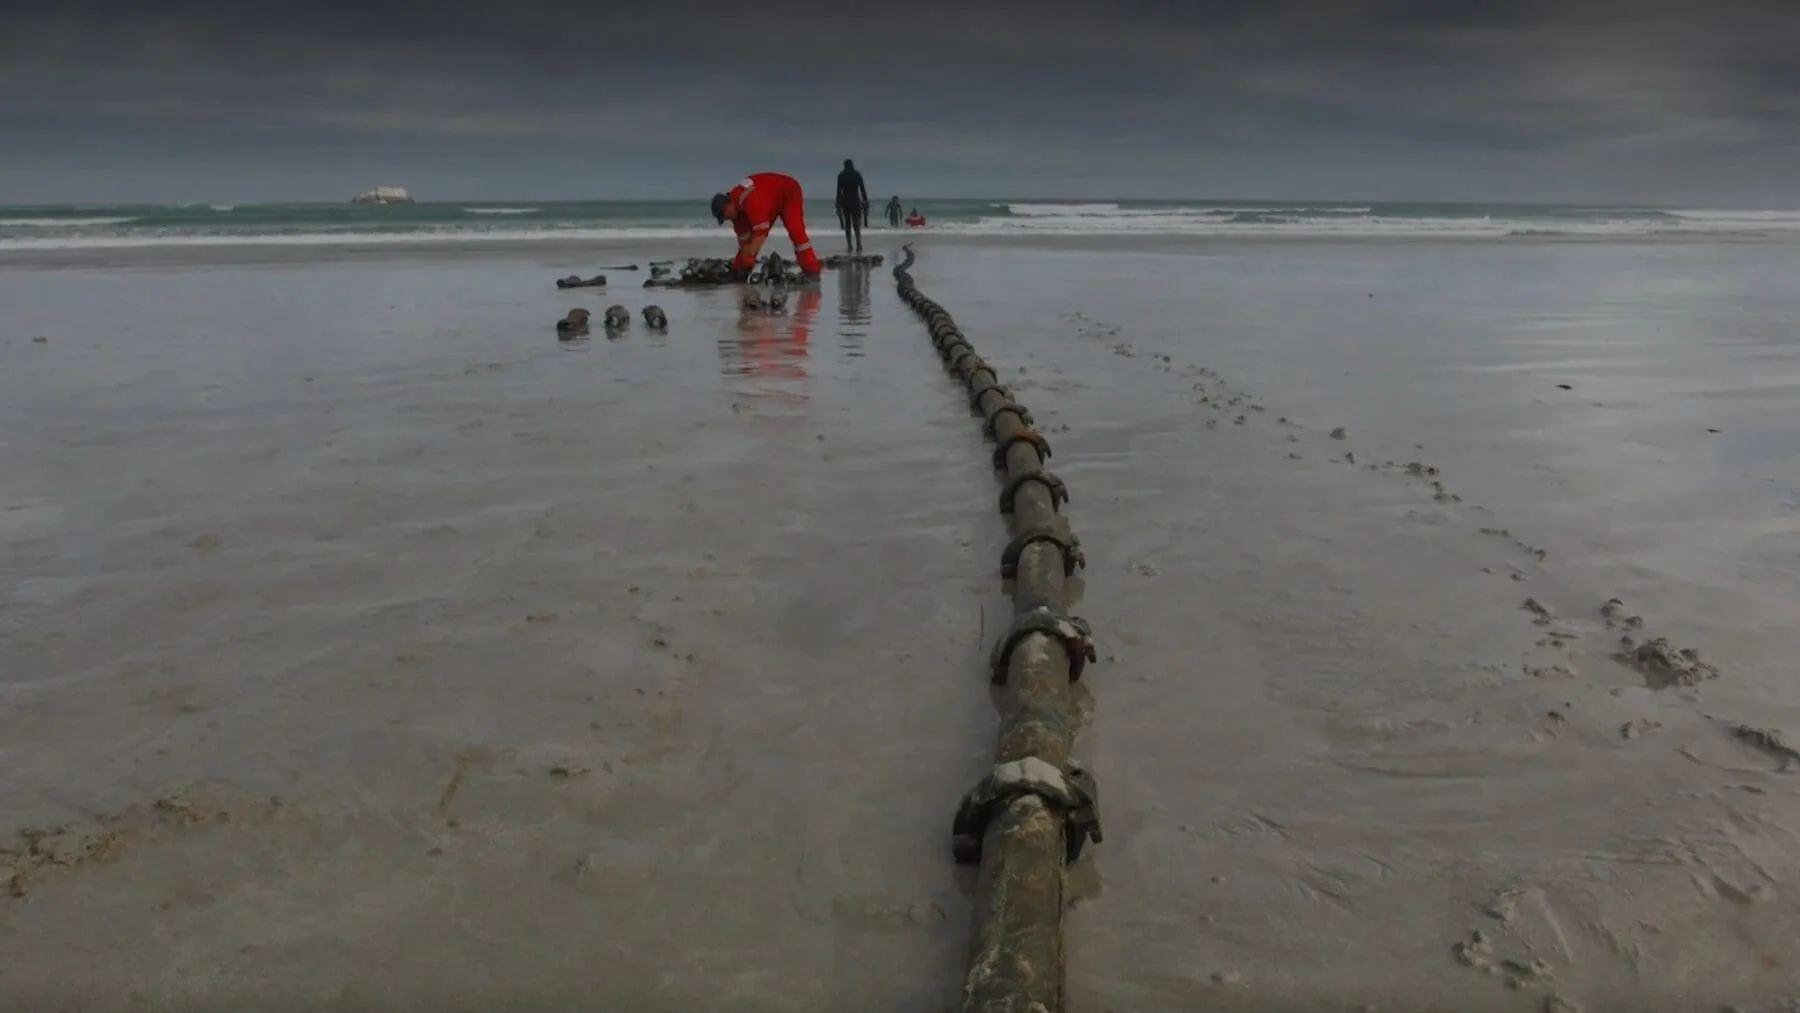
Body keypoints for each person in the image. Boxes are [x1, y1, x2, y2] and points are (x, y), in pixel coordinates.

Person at [710, 172, 822, 278]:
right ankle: (742, 269)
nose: (727, 219)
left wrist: (749, 255)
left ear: (728, 204)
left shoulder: (750, 200)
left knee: (796, 232)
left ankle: (812, 270)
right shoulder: (736, 212)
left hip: (789, 192)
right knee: (749, 245)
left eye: (724, 215)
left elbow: (761, 232)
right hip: (769, 200)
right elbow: (745, 242)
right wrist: (739, 267)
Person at [835, 159, 869, 253]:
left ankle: (850, 245)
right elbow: (862, 189)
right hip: (855, 200)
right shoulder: (857, 175)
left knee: (848, 225)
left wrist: (838, 204)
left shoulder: (841, 176)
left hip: (845, 201)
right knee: (856, 225)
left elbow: (838, 191)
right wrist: (865, 200)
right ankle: (858, 245)